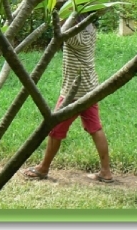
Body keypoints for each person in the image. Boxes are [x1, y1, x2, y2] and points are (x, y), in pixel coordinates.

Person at [22, 11, 113, 183]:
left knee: (55, 130)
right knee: (95, 128)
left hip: (73, 91)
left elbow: (60, 31)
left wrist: (66, 9)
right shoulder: (90, 27)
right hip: (89, 86)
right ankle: (106, 172)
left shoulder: (74, 34)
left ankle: (43, 168)